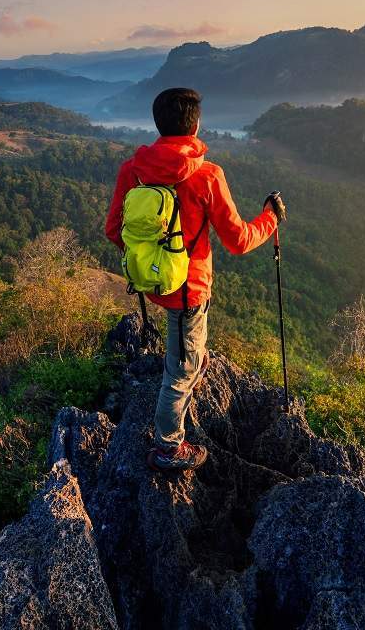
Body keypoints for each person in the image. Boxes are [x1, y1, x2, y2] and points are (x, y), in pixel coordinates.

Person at [105, 87, 286, 472]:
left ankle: (193, 361)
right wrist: (270, 219)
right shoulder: (207, 175)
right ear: (196, 124)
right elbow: (237, 241)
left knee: (185, 347)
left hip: (154, 283)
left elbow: (113, 230)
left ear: (158, 124)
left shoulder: (133, 170)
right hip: (190, 289)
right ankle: (168, 447)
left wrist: (150, 259)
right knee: (179, 372)